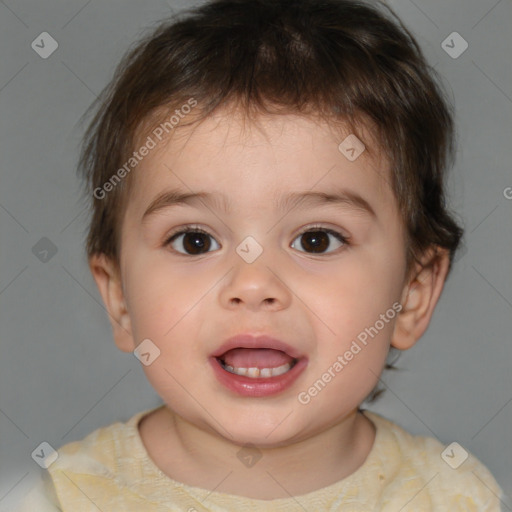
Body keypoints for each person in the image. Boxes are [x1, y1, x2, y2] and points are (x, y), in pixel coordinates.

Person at [15, 0, 506, 510]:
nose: (252, 284)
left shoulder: (452, 497)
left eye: (317, 239)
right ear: (119, 299)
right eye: (195, 240)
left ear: (412, 294)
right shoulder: (63, 497)